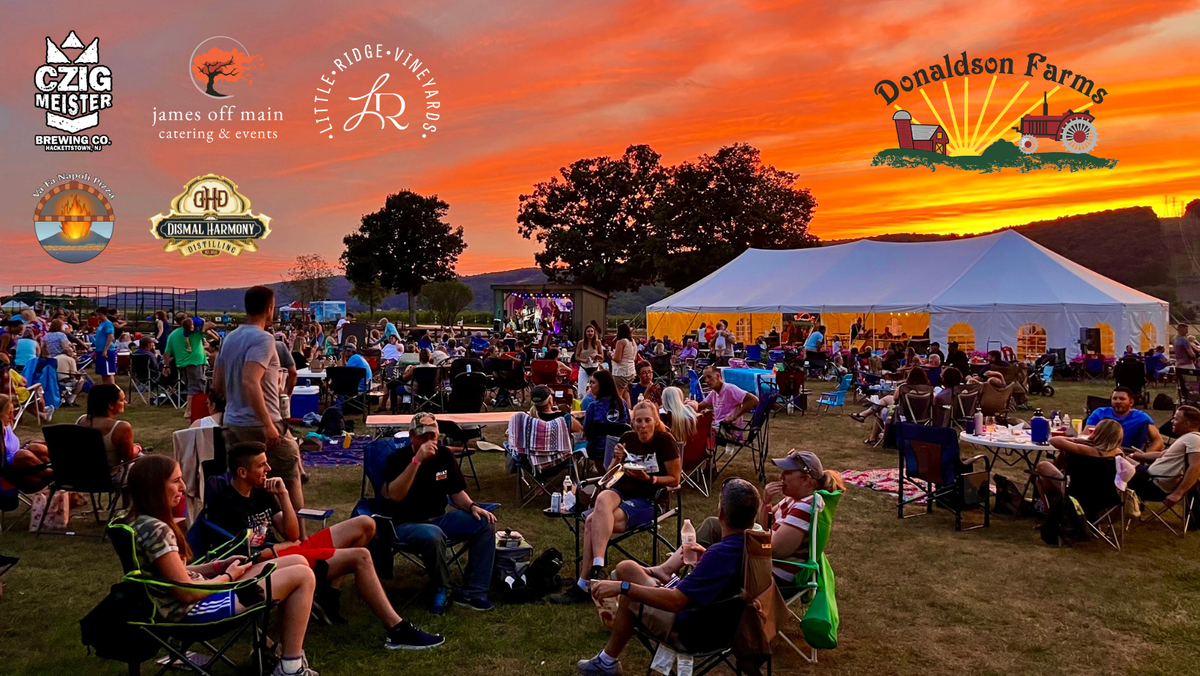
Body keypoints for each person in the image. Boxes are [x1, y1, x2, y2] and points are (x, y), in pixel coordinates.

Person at [204, 442, 443, 648]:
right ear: (242, 472)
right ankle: (396, 629)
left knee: (365, 524)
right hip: (278, 564)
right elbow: (244, 557)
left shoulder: (261, 492)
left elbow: (292, 532)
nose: (268, 469)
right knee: (360, 556)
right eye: (262, 465)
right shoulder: (226, 503)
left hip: (292, 551)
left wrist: (284, 495)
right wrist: (284, 546)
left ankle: (328, 595)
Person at [124, 455, 320, 676]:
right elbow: (186, 592)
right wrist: (228, 576)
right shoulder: (157, 530)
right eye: (176, 481)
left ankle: (282, 652)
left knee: (297, 560)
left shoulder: (138, 521)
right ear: (154, 486)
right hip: (194, 611)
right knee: (303, 575)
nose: (183, 487)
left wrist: (217, 566)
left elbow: (170, 574)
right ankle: (290, 669)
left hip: (196, 596)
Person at [573, 478, 760, 676]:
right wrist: (705, 562)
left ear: (721, 513)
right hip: (724, 625)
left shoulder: (719, 555)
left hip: (692, 631)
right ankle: (658, 578)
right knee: (627, 567)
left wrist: (623, 587)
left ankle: (606, 661)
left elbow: (675, 602)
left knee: (631, 591)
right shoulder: (752, 548)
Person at [550, 402, 682, 605]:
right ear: (633, 422)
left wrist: (649, 479)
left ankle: (584, 584)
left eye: (647, 420)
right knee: (603, 497)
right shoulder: (627, 438)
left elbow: (675, 479)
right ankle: (598, 566)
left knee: (592, 521)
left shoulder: (665, 440)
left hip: (650, 498)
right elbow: (609, 476)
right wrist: (616, 459)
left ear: (656, 421)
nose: (643, 425)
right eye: (638, 421)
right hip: (622, 491)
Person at [378, 413, 496, 615]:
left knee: (484, 522)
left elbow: (456, 492)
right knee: (433, 534)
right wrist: (416, 461)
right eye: (423, 437)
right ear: (412, 436)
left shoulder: (444, 456)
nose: (429, 441)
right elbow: (395, 495)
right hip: (404, 523)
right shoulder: (397, 459)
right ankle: (441, 588)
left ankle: (474, 591)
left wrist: (472, 506)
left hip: (439, 519)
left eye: (432, 436)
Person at [213, 286, 307, 528]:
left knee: (249, 482)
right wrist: (267, 424)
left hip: (233, 424)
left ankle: (255, 530)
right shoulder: (264, 339)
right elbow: (250, 380)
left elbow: (217, 385)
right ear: (270, 307)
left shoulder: (229, 338)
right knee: (291, 476)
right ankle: (302, 538)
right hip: (260, 424)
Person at [748, 450, 844, 593]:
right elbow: (766, 525)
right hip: (767, 565)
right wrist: (766, 502)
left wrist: (744, 542)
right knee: (716, 529)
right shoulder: (793, 498)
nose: (781, 476)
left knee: (721, 546)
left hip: (775, 576)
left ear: (805, 479)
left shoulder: (804, 507)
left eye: (787, 472)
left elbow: (775, 549)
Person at [1034, 419, 1125, 510]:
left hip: (1078, 496)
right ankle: (1056, 511)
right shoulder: (1119, 453)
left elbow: (1054, 440)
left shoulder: (1083, 450)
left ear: (1097, 433)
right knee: (1042, 480)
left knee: (1043, 466)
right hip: (1108, 498)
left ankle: (1052, 511)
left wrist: (1076, 439)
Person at [1127, 405, 1200, 508]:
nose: (1172, 421)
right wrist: (1135, 455)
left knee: (1114, 464)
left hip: (1153, 485)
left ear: (1186, 424)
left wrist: (1177, 494)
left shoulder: (1194, 439)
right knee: (1120, 460)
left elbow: (1195, 467)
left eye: (1176, 419)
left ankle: (1107, 511)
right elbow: (1161, 454)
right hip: (1149, 478)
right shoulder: (1187, 438)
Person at [76, 383, 143, 482]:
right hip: (109, 477)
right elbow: (127, 458)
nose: (125, 402)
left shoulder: (81, 420)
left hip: (81, 475)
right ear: (111, 405)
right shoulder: (121, 427)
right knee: (149, 465)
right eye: (121, 400)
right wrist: (137, 448)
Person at [850, 367, 932, 444]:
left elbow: (895, 399)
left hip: (903, 416)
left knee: (882, 407)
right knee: (885, 402)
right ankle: (865, 416)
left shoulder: (904, 387)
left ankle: (870, 431)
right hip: (923, 417)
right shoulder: (929, 389)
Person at [1085, 386, 1162, 452]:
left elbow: (1158, 440)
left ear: (1131, 402)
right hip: (1101, 452)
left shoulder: (1141, 418)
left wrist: (1145, 455)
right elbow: (1086, 435)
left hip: (1128, 454)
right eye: (1114, 398)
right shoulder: (1099, 413)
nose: (1117, 401)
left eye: (1122, 399)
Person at [0, 394, 52, 491]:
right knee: (23, 454)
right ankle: (55, 474)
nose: (13, 417)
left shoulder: (7, 425)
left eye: (13, 412)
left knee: (36, 446)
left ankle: (59, 466)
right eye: (9, 413)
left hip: (23, 464)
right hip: (10, 473)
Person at [582, 370, 630, 471]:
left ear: (602, 384)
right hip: (620, 450)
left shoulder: (593, 406)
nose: (590, 385)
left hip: (598, 451)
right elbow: (628, 425)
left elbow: (587, 430)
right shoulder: (622, 404)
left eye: (593, 382)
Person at [689, 366, 759, 430]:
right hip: (718, 427)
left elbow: (753, 400)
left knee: (699, 431)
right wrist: (689, 404)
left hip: (729, 430)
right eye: (704, 378)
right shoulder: (714, 393)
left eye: (709, 377)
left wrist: (734, 416)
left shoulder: (729, 389)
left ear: (718, 376)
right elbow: (700, 407)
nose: (707, 380)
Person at [164, 312, 208, 414]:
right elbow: (211, 327)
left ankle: (194, 410)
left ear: (176, 322)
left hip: (181, 364)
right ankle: (190, 411)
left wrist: (166, 366)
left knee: (190, 387)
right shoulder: (194, 331)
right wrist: (203, 321)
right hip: (195, 362)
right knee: (195, 388)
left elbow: (167, 353)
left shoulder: (172, 335)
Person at [611, 323, 638, 409]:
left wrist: (611, 355)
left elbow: (617, 358)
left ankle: (620, 411)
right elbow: (635, 358)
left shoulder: (621, 342)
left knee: (618, 395)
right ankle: (629, 411)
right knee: (626, 393)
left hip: (621, 372)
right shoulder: (633, 342)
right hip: (631, 371)